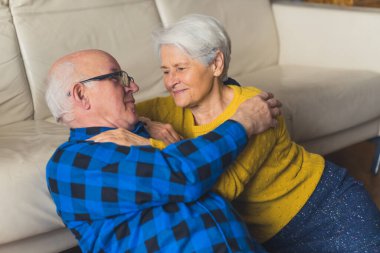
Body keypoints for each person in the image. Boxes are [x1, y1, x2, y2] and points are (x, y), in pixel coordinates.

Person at [133, 14, 380, 252]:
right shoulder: (167, 108)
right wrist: (144, 122)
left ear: (216, 64)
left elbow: (222, 190)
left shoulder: (256, 108)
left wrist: (147, 141)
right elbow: (116, 112)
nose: (171, 81)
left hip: (326, 212)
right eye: (166, 71)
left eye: (180, 68)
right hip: (265, 238)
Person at [44, 49, 282, 252]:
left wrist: (145, 128)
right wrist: (244, 123)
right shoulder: (72, 162)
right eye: (117, 78)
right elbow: (183, 174)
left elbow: (212, 93)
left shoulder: (145, 131)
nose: (134, 87)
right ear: (81, 94)